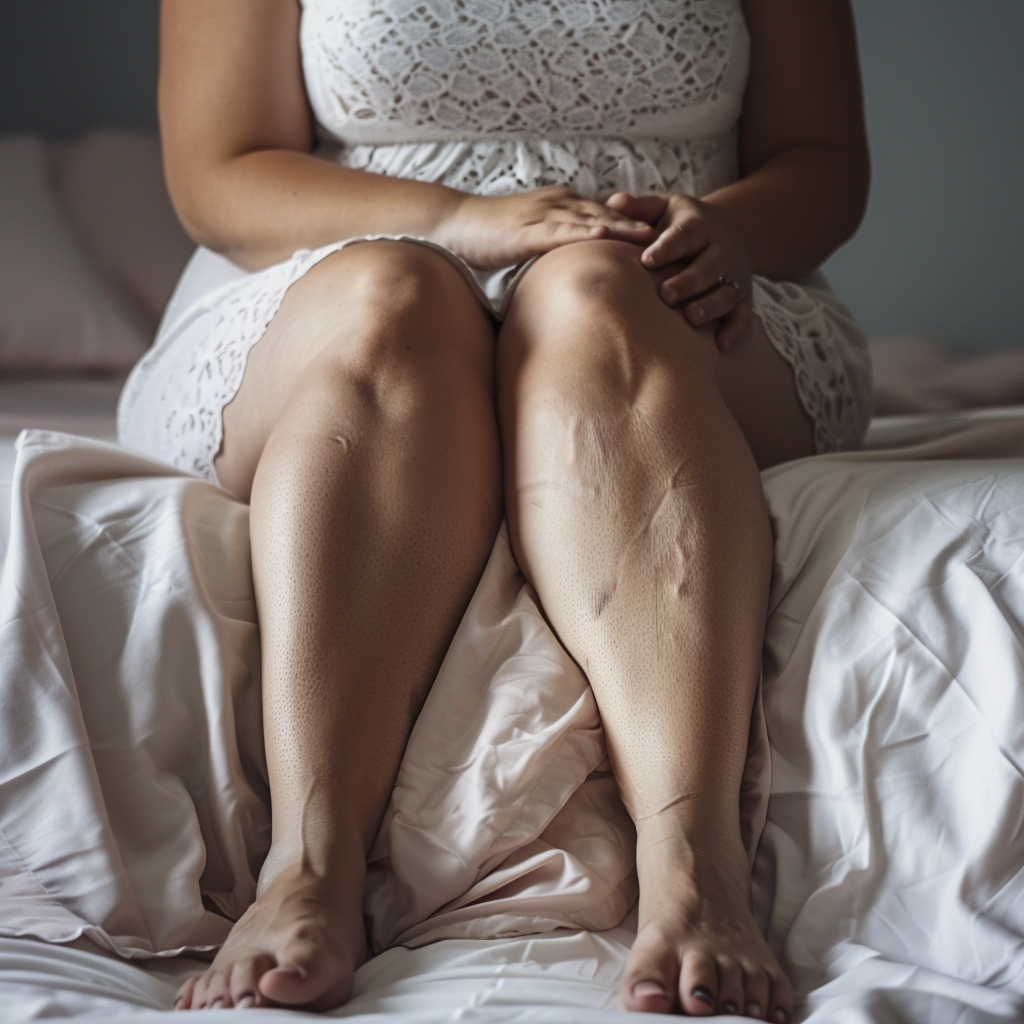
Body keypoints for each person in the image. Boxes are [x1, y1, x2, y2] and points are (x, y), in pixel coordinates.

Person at [119, 0, 872, 1017]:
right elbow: (220, 171)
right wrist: (449, 220)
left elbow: (821, 157)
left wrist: (730, 227)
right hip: (338, 274)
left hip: (671, 289)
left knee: (595, 291)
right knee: (398, 293)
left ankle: (695, 866)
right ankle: (308, 865)